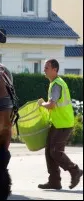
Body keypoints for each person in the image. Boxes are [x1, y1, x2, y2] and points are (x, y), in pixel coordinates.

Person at [37, 59, 83, 190]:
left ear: (55, 70)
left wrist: (42, 104)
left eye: (47, 67)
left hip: (64, 124)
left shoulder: (57, 84)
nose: (44, 69)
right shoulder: (54, 83)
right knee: (48, 151)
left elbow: (51, 105)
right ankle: (54, 181)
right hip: (57, 123)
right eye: (44, 67)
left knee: (55, 152)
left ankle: (75, 171)